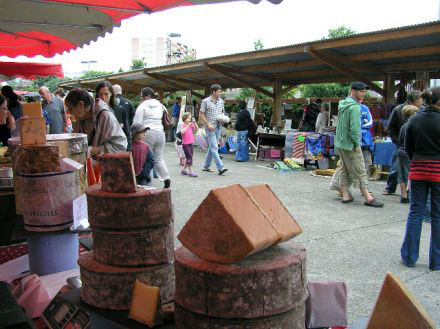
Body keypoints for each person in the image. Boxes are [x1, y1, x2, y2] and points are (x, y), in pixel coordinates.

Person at [400, 86, 440, 271]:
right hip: (438, 172)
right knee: (437, 216)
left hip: (417, 170)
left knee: (415, 213)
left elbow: (408, 148)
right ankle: (436, 261)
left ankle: (409, 257)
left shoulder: (414, 120)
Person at [335, 82, 383, 207]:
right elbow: (355, 129)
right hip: (351, 144)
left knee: (344, 169)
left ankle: (345, 195)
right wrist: (357, 143)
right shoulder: (355, 107)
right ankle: (368, 197)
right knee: (360, 169)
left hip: (341, 143)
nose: (363, 94)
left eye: (364, 91)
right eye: (361, 91)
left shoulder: (343, 104)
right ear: (353, 91)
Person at [383, 90, 422, 195]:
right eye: (419, 101)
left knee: (413, 168)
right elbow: (390, 127)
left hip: (416, 145)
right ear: (412, 101)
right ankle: (390, 187)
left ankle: (410, 191)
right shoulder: (398, 109)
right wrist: (396, 140)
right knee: (395, 167)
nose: (421, 103)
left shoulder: (422, 110)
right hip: (401, 144)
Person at [65, 88, 127, 155]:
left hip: (104, 164)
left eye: (71, 109)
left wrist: (94, 150)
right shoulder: (80, 117)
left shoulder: (105, 115)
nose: (69, 113)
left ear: (81, 105)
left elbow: (120, 146)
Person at [133, 87, 171, 189]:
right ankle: (166, 177)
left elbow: (137, 123)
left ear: (147, 96)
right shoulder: (161, 105)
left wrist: (133, 135)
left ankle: (146, 183)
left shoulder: (142, 106)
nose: (140, 98)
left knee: (146, 158)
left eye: (141, 96)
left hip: (147, 133)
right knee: (158, 158)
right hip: (160, 133)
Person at [199, 84, 228, 175]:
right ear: (213, 92)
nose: (220, 93)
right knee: (215, 147)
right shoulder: (205, 101)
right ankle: (221, 167)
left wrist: (223, 120)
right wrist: (207, 124)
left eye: (220, 91)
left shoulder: (221, 101)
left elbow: (222, 112)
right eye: (218, 91)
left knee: (212, 147)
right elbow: (201, 114)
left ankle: (206, 166)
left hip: (219, 126)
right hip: (210, 128)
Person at [95, 81, 131, 150]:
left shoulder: (120, 109)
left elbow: (126, 130)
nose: (103, 97)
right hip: (100, 149)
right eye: (100, 94)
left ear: (111, 94)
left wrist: (129, 149)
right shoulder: (94, 111)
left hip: (117, 148)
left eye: (106, 94)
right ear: (97, 94)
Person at [396, 105, 419, 204]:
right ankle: (413, 194)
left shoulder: (403, 126)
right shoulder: (412, 125)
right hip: (408, 153)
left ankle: (404, 196)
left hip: (400, 152)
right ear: (413, 114)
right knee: (411, 174)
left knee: (402, 175)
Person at [180, 113, 199, 177]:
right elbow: (182, 132)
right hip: (185, 144)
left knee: (189, 158)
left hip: (191, 143)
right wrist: (188, 125)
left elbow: (197, 129)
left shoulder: (191, 125)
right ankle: (191, 172)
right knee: (189, 158)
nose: (189, 119)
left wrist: (195, 122)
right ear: (184, 118)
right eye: (188, 118)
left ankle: (183, 170)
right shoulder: (183, 125)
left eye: (190, 118)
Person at [360, 104, 374, 177]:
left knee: (366, 160)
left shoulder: (365, 108)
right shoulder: (350, 108)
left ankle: (365, 177)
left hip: (366, 141)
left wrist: (359, 126)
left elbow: (370, 123)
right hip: (355, 141)